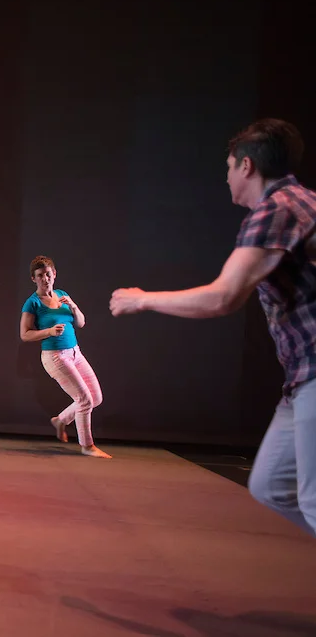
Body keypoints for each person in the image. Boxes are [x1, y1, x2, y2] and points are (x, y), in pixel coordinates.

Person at [110, 118, 315, 535]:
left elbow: (223, 297)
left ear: (246, 166)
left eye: (228, 168)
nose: (226, 178)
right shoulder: (303, 201)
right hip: (301, 379)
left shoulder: (275, 210)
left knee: (312, 499)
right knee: (271, 486)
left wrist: (142, 299)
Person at [21, 256, 112, 458]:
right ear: (33, 279)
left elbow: (81, 323)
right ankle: (87, 446)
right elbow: (24, 334)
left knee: (96, 398)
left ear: (54, 274)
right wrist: (49, 332)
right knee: (84, 400)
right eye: (40, 275)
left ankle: (61, 420)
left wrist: (73, 306)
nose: (45, 279)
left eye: (48, 274)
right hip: (55, 357)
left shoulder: (62, 295)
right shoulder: (32, 303)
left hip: (75, 353)